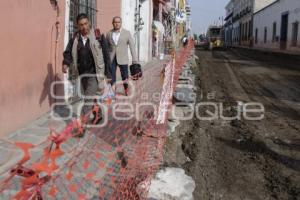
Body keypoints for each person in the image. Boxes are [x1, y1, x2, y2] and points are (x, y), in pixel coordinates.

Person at [62, 13, 109, 133]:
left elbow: (106, 56)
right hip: (81, 74)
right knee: (89, 97)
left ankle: (81, 125)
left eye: (86, 24)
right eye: (81, 25)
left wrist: (107, 76)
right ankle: (98, 114)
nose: (84, 27)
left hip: (94, 74)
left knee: (87, 100)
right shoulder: (75, 39)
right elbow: (68, 52)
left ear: (89, 23)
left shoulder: (98, 36)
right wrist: (66, 63)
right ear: (78, 26)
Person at [106, 16, 138, 95]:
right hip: (112, 58)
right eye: (115, 22)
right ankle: (113, 91)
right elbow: (106, 47)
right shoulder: (109, 33)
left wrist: (135, 59)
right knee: (112, 75)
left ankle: (126, 88)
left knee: (125, 75)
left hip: (123, 58)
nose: (116, 24)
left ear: (121, 23)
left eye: (118, 22)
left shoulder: (127, 33)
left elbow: (132, 47)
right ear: (113, 23)